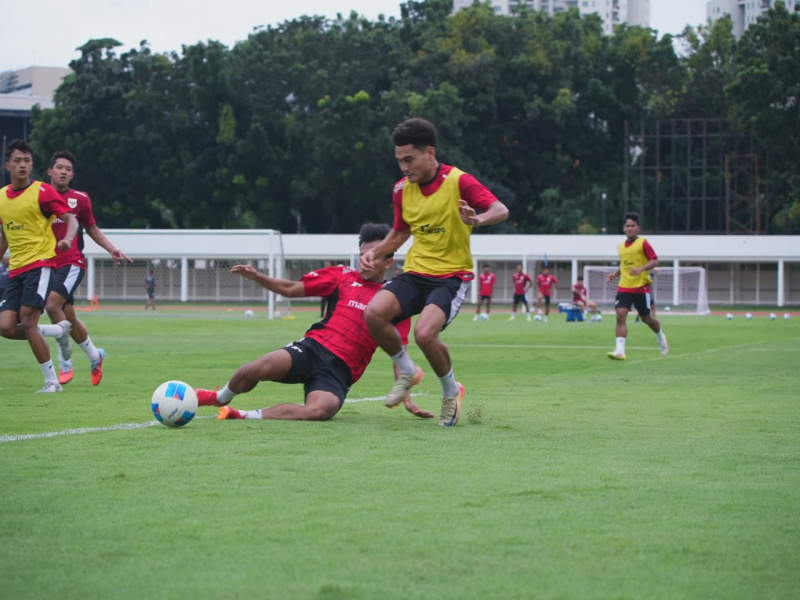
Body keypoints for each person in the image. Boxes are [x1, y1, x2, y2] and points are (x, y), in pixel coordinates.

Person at [196, 223, 434, 421]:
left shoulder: (394, 301)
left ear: (388, 262)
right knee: (254, 369)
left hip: (340, 371)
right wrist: (257, 276)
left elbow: (398, 353)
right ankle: (220, 397)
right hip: (312, 349)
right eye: (363, 256)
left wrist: (407, 398)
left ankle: (241, 415)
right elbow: (290, 289)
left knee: (320, 411)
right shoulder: (341, 276)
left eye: (374, 256)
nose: (366, 261)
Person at [360, 117, 509, 427]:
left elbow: (500, 210)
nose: (403, 167)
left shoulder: (459, 181)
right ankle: (408, 371)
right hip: (416, 272)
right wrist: (375, 252)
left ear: (430, 151)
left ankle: (450, 392)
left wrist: (476, 220)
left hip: (452, 276)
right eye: (399, 160)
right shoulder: (402, 189)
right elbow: (400, 233)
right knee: (374, 313)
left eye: (409, 159)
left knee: (425, 334)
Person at [45, 150, 132, 385]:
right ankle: (95, 355)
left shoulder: (80, 199)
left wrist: (111, 248)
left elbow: (92, 228)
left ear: (72, 175)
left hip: (72, 263)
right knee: (69, 318)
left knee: (52, 305)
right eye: (60, 167)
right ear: (49, 171)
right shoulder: (39, 196)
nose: (64, 171)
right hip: (47, 264)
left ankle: (65, 363)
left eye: (69, 169)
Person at [0, 139, 78, 392]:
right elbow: (5, 233)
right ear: (7, 165)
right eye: (18, 161)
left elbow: (70, 219)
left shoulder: (42, 191)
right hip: (16, 269)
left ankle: (52, 382)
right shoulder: (1, 197)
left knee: (28, 321)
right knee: (6, 327)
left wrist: (66, 238)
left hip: (40, 264)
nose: (23, 165)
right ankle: (57, 331)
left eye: (27, 161)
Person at [605, 212, 669, 360]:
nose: (630, 228)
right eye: (627, 226)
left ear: (638, 228)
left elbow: (655, 261)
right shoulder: (620, 246)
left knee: (646, 318)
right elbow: (625, 265)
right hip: (624, 287)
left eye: (633, 226)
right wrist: (615, 274)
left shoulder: (643, 243)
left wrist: (640, 269)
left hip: (641, 287)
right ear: (624, 228)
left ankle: (660, 336)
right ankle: (620, 351)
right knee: (620, 316)